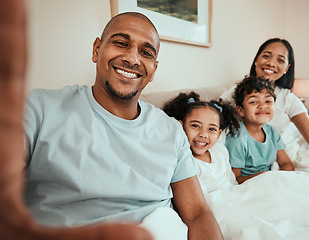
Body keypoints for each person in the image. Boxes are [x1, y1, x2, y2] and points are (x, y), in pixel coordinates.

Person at [0, 0, 224, 239]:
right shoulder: (39, 109)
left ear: (153, 69)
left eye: (146, 52)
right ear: (97, 49)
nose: (132, 58)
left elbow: (198, 213)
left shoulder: (172, 131)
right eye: (121, 43)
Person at [221, 38, 309, 190]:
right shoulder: (236, 93)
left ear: (286, 68)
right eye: (266, 56)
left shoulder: (288, 99)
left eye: (280, 60)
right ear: (256, 61)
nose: (271, 63)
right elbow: (211, 115)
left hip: (280, 149)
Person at [163, 92, 240, 193]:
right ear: (181, 126)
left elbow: (232, 181)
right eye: (195, 126)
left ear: (218, 134)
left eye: (212, 129)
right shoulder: (184, 160)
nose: (203, 134)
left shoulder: (220, 150)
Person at [225, 76, 295, 184]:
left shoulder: (271, 132)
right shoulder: (237, 139)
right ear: (240, 110)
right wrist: (264, 177)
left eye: (268, 101)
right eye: (253, 102)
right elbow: (235, 178)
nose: (262, 106)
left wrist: (278, 178)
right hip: (249, 185)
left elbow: (286, 163)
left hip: (271, 180)